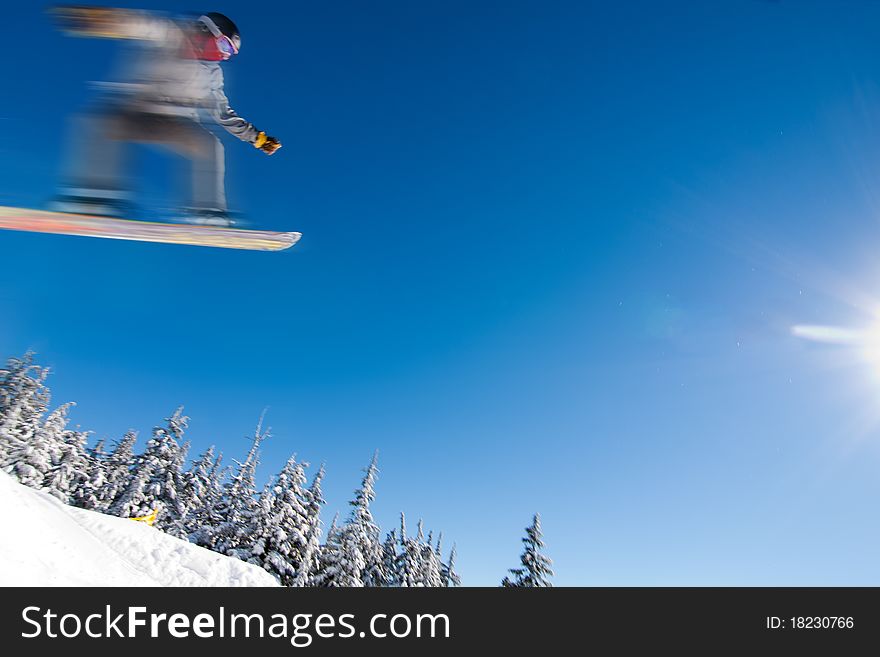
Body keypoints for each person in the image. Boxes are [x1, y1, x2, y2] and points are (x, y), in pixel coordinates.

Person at [50, 6, 281, 226]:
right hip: (132, 111)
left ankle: (207, 211)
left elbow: (223, 114)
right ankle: (94, 196)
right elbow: (139, 25)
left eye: (230, 52)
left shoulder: (211, 74)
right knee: (94, 124)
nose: (224, 55)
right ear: (205, 31)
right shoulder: (170, 33)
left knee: (209, 144)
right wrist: (100, 20)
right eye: (224, 45)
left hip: (173, 122)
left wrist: (258, 139)